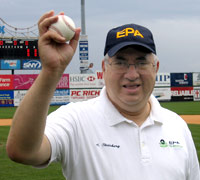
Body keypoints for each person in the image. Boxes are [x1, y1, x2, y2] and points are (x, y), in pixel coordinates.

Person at [6, 10, 200, 180]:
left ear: (155, 68)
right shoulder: (76, 119)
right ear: (104, 69)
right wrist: (51, 71)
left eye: (141, 62)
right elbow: (22, 151)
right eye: (120, 62)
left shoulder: (177, 126)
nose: (132, 74)